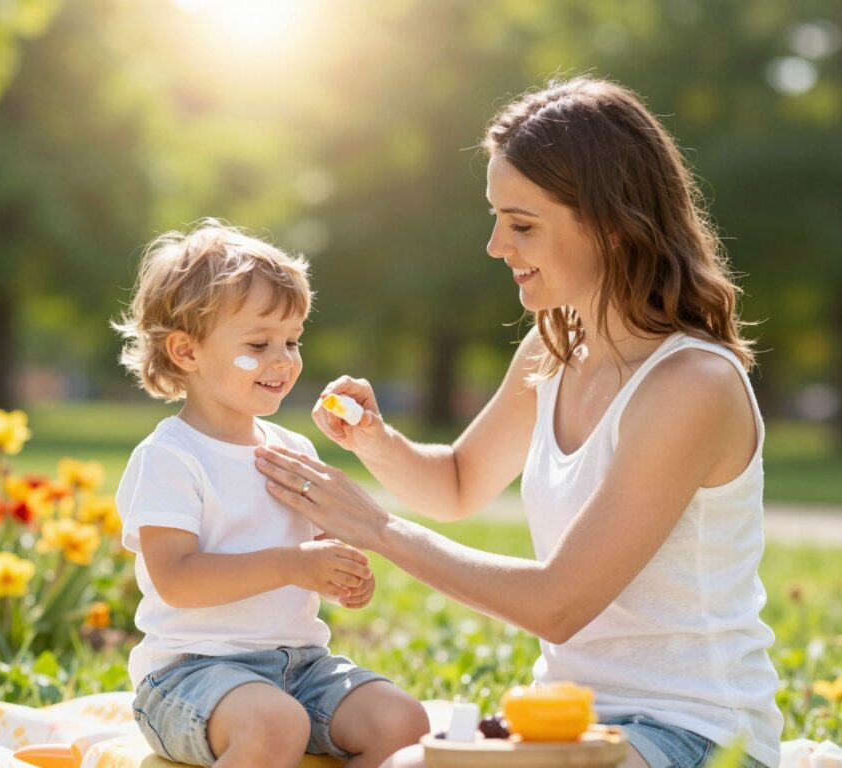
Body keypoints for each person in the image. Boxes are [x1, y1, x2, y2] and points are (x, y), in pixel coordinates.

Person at [253, 77, 782, 768]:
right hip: (572, 724)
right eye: (497, 217)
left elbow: (556, 603)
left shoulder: (693, 386)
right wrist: (375, 443)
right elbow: (460, 483)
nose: (497, 246)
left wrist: (378, 530)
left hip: (699, 738)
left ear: (615, 225)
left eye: (523, 224)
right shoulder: (554, 345)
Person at [112, 220, 429, 768]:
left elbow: (318, 549)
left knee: (404, 722)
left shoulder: (293, 449)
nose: (283, 359)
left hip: (300, 665)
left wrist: (342, 572)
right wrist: (292, 565)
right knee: (276, 724)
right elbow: (178, 580)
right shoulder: (170, 457)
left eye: (292, 340)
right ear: (186, 352)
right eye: (258, 344)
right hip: (190, 673)